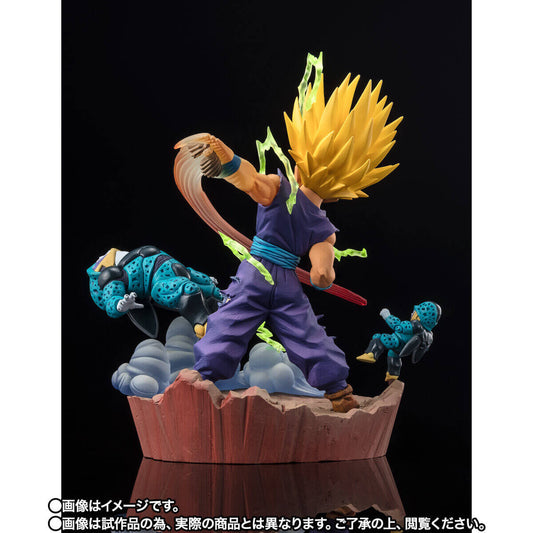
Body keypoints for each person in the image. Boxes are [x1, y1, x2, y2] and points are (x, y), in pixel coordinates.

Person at [175, 66, 402, 412]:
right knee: (301, 333)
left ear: (299, 157)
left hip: (257, 274)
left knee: (237, 324)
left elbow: (251, 181)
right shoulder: (312, 217)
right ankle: (337, 392)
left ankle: (205, 375)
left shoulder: (286, 192)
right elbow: (321, 270)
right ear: (347, 189)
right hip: (282, 283)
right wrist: (228, 163)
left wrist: (228, 162)